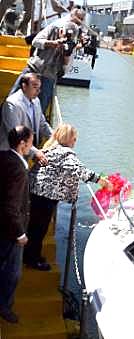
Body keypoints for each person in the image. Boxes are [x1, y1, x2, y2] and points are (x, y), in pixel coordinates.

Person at [25, 124, 110, 270]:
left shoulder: (50, 148)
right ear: (69, 139)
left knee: (33, 226)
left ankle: (30, 254)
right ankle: (33, 259)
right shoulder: (66, 154)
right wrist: (101, 181)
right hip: (45, 196)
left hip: (34, 191)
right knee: (39, 229)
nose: (75, 142)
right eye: (75, 139)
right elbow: (80, 171)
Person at [0, 126, 33, 324]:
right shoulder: (20, 170)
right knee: (13, 272)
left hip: (2, 225)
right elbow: (11, 205)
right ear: (22, 144)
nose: (32, 145)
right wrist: (20, 233)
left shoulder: (4, 157)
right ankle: (5, 307)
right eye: (30, 141)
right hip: (12, 230)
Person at [10, 19, 79, 113]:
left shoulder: (71, 45)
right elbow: (35, 41)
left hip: (48, 77)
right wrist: (52, 43)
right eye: (64, 35)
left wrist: (66, 55)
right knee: (12, 100)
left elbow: (65, 69)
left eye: (69, 37)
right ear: (61, 30)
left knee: (38, 110)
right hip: (33, 69)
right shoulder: (52, 29)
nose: (66, 38)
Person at [0, 73, 52, 165]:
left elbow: (42, 124)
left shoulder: (36, 101)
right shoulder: (11, 104)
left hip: (25, 152)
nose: (38, 91)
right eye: (35, 87)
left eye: (39, 88)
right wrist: (35, 152)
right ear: (24, 86)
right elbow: (15, 135)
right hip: (9, 155)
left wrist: (56, 138)